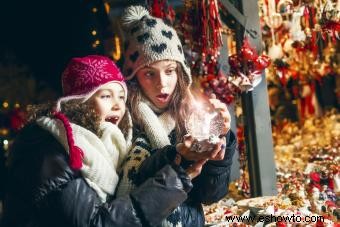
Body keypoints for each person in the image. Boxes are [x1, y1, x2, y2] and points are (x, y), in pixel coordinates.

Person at [1, 55, 197, 227]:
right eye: (106, 96)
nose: (117, 105)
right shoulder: (53, 147)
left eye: (121, 97)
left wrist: (177, 161)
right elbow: (94, 222)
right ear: (79, 102)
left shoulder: (110, 143)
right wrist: (172, 183)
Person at [116, 6, 237, 226]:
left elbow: (210, 195)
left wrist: (223, 140)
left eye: (169, 71)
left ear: (180, 72)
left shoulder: (192, 116)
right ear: (133, 76)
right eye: (149, 73)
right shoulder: (122, 119)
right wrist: (179, 158)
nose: (162, 84)